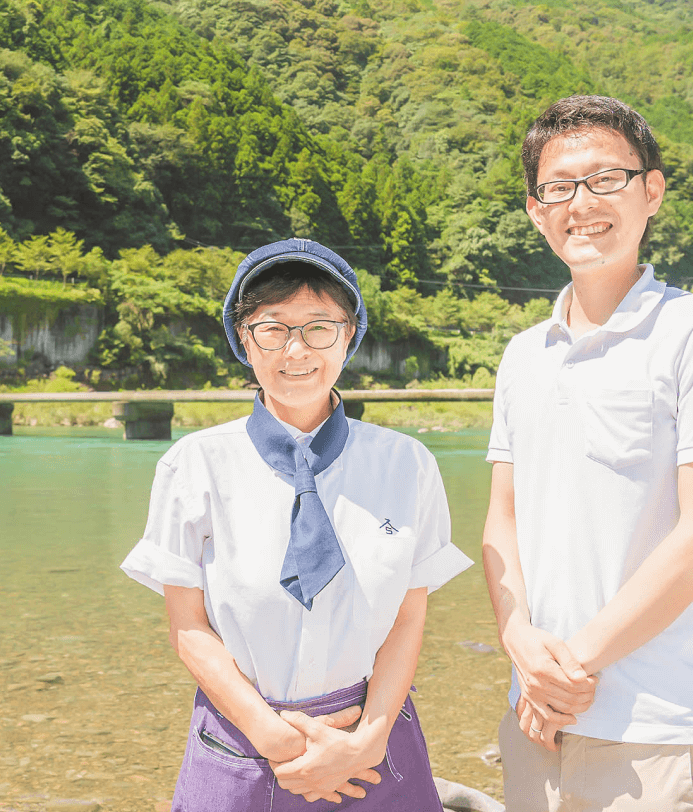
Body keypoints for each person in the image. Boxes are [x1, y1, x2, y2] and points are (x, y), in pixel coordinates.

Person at [483, 95, 693, 811]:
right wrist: (520, 645)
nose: (582, 203)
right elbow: (501, 522)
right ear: (534, 208)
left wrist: (569, 671)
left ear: (652, 190)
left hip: (660, 731)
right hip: (536, 725)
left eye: (606, 179)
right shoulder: (522, 356)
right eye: (559, 187)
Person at [121, 238, 473, 810]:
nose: (296, 349)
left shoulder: (406, 463)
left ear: (349, 336)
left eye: (319, 327)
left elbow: (408, 618)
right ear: (244, 339)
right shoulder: (194, 464)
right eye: (273, 328)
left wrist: (365, 742)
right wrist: (276, 738)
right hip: (242, 739)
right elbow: (188, 628)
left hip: (373, 738)